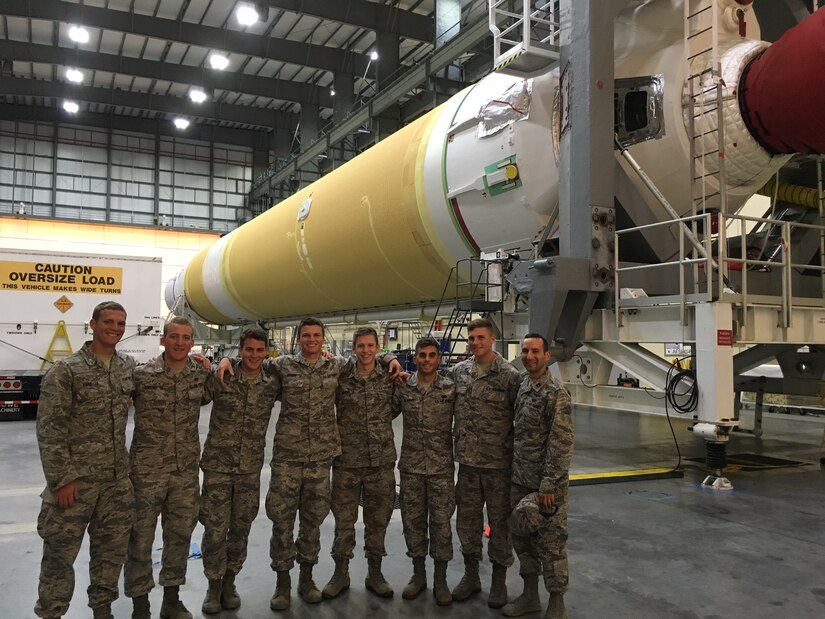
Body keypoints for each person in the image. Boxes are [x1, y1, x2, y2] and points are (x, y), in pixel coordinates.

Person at [216, 317, 401, 611]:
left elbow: (369, 358)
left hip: (320, 460)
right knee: (282, 521)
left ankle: (307, 578)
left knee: (313, 522)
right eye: (307, 335)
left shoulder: (337, 367)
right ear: (299, 339)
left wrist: (390, 357)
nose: (312, 340)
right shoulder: (283, 366)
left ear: (323, 338)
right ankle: (282, 583)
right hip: (287, 458)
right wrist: (224, 359)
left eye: (316, 335)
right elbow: (251, 362)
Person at [34, 301, 136, 619]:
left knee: (110, 554)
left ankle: (102, 609)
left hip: (116, 484)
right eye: (108, 322)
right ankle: (52, 612)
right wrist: (62, 479)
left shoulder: (128, 368)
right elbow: (50, 429)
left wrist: (206, 363)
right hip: (75, 484)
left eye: (121, 324)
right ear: (92, 325)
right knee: (59, 555)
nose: (115, 328)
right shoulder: (67, 371)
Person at [125, 317, 209, 619]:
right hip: (146, 474)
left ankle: (171, 599)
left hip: (184, 474)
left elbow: (223, 381)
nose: (180, 343)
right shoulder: (142, 376)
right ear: (163, 340)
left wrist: (222, 363)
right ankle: (140, 605)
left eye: (187, 338)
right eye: (174, 337)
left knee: (179, 537)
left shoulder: (199, 375)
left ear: (192, 342)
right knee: (140, 539)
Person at [199, 327, 281, 614]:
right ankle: (213, 586)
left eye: (260, 351)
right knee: (214, 529)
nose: (254, 356)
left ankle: (230, 581)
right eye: (249, 350)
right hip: (218, 467)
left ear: (267, 352)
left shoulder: (272, 380)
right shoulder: (223, 376)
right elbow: (196, 394)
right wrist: (218, 363)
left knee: (241, 529)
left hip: (249, 469)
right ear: (240, 350)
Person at [322, 327, 397, 600]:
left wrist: (391, 359)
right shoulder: (341, 374)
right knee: (344, 522)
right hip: (347, 462)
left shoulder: (389, 377)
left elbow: (398, 406)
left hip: (381, 462)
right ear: (353, 349)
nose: (365, 351)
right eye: (360, 346)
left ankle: (375, 573)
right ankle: (340, 573)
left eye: (370, 346)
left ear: (378, 348)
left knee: (378, 522)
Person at [502, 333, 573, 619]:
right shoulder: (522, 386)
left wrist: (548, 485)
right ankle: (530, 595)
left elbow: (561, 442)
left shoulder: (556, 392)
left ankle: (557, 603)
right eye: (525, 351)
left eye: (535, 352)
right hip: (520, 479)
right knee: (523, 540)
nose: (529, 356)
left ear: (547, 356)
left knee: (552, 543)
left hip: (546, 486)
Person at [451, 317, 521, 608]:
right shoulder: (459, 372)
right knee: (467, 523)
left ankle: (498, 582)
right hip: (467, 465)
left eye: (481, 338)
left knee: (500, 525)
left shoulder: (508, 375)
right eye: (472, 338)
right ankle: (471, 576)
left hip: (497, 466)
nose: (476, 343)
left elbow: (522, 417)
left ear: (492, 339)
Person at [392, 336, 456, 606]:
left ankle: (440, 580)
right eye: (422, 355)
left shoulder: (451, 388)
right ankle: (419, 576)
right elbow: (383, 414)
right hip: (411, 469)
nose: (427, 360)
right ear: (415, 358)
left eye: (432, 355)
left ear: (438, 359)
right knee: (413, 524)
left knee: (441, 526)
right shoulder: (404, 388)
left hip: (441, 469)